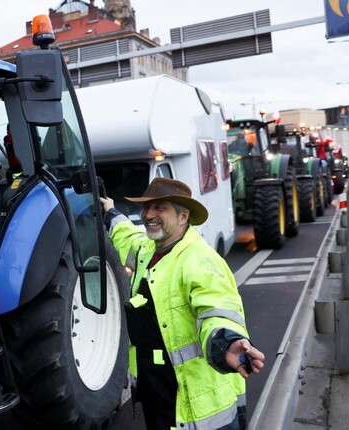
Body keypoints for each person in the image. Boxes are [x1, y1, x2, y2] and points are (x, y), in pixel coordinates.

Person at [100, 177, 265, 430]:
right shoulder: (147, 249)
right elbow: (127, 237)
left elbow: (216, 311)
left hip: (199, 411)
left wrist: (226, 343)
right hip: (158, 397)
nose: (148, 215)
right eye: (146, 207)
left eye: (159, 208)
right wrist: (110, 212)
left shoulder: (200, 261)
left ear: (183, 216)